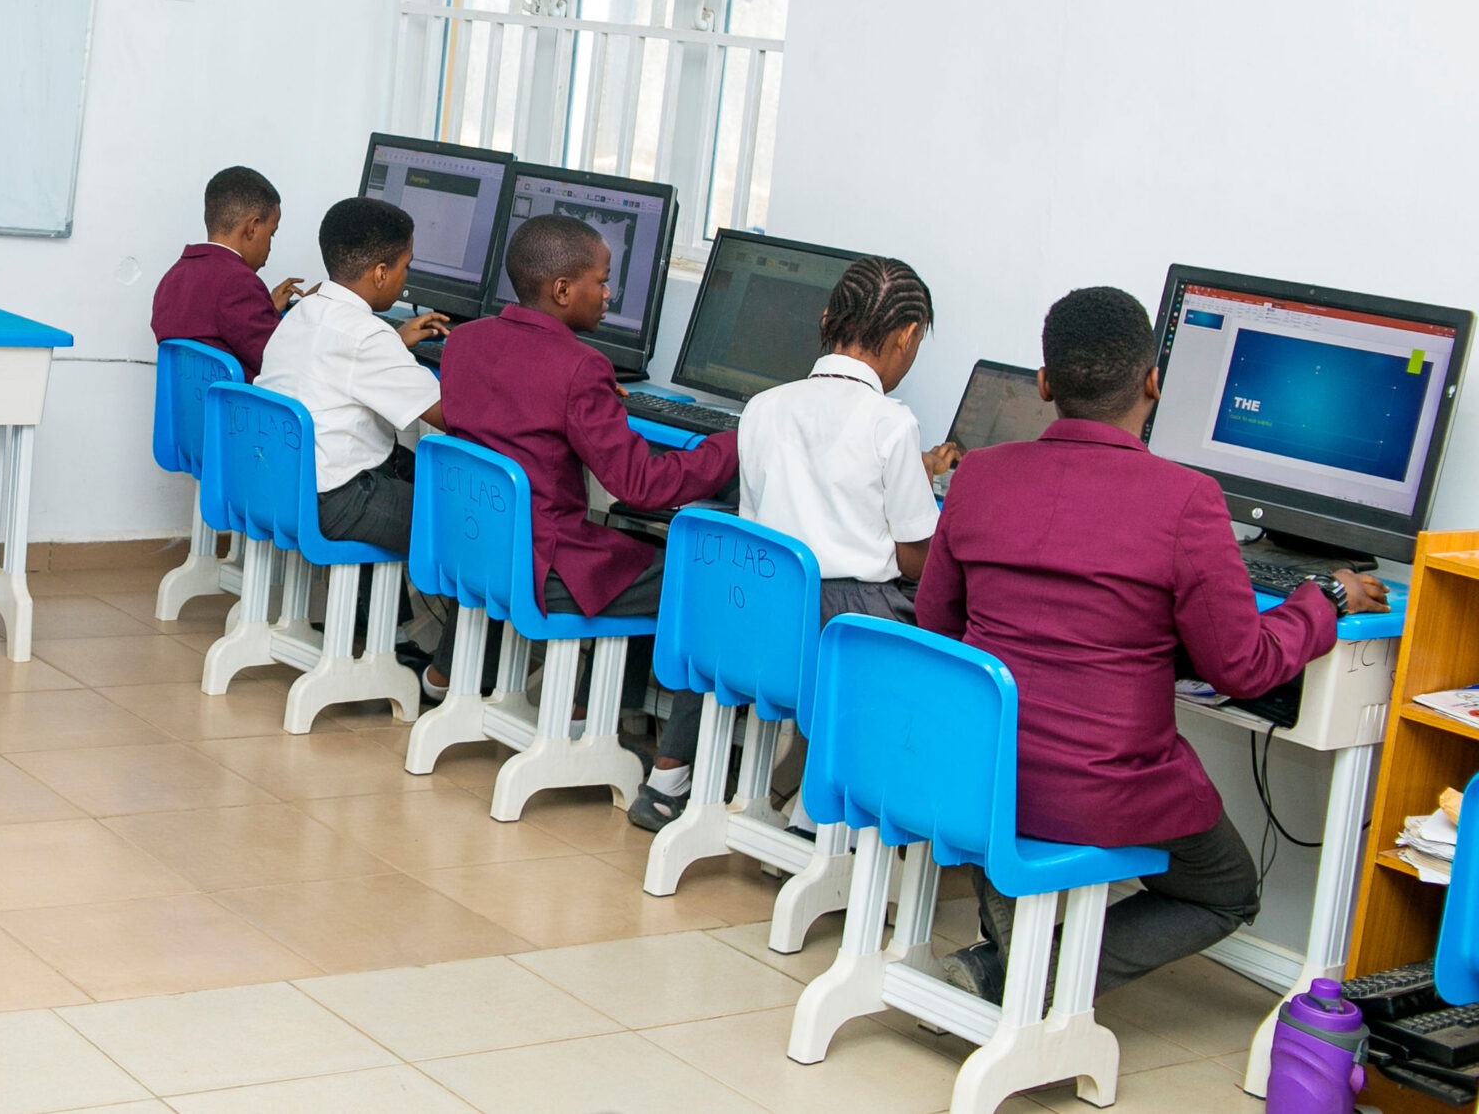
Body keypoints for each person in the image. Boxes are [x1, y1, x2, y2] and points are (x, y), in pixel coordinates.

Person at [918, 286, 1388, 1001]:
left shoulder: (978, 475)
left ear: (1045, 383)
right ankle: (1025, 974)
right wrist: (1321, 600)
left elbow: (938, 630)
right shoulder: (1187, 499)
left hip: (979, 774)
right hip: (1101, 791)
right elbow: (1243, 666)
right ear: (1153, 382)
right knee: (1228, 888)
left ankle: (1011, 948)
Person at [437, 214, 737, 830]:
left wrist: (596, 406)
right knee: (696, 575)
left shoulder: (465, 341)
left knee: (633, 545)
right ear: (562, 290)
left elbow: (520, 404)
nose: (609, 293)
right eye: (601, 281)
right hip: (545, 565)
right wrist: (735, 442)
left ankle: (589, 713)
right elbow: (641, 485)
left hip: (476, 548)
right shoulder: (581, 368)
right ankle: (668, 773)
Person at [255, 198, 451, 662]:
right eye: (405, 266)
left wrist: (393, 342)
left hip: (280, 483)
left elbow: (341, 362)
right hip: (336, 501)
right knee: (471, 525)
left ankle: (389, 636)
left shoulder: (304, 311)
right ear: (381, 273)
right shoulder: (367, 337)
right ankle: (447, 672)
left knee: (413, 468)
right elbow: (452, 415)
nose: (406, 277)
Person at [738, 256, 959, 622]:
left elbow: (754, 524)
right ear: (907, 337)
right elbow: (914, 563)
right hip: (853, 615)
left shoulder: (761, 407)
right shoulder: (893, 422)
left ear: (827, 319)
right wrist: (920, 482)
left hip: (766, 604)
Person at [150, 165, 303, 379]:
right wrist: (314, 311)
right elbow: (282, 362)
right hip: (235, 401)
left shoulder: (174, 276)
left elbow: (218, 326)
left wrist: (267, 310)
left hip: (190, 400)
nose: (270, 246)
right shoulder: (239, 282)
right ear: (252, 227)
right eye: (272, 234)